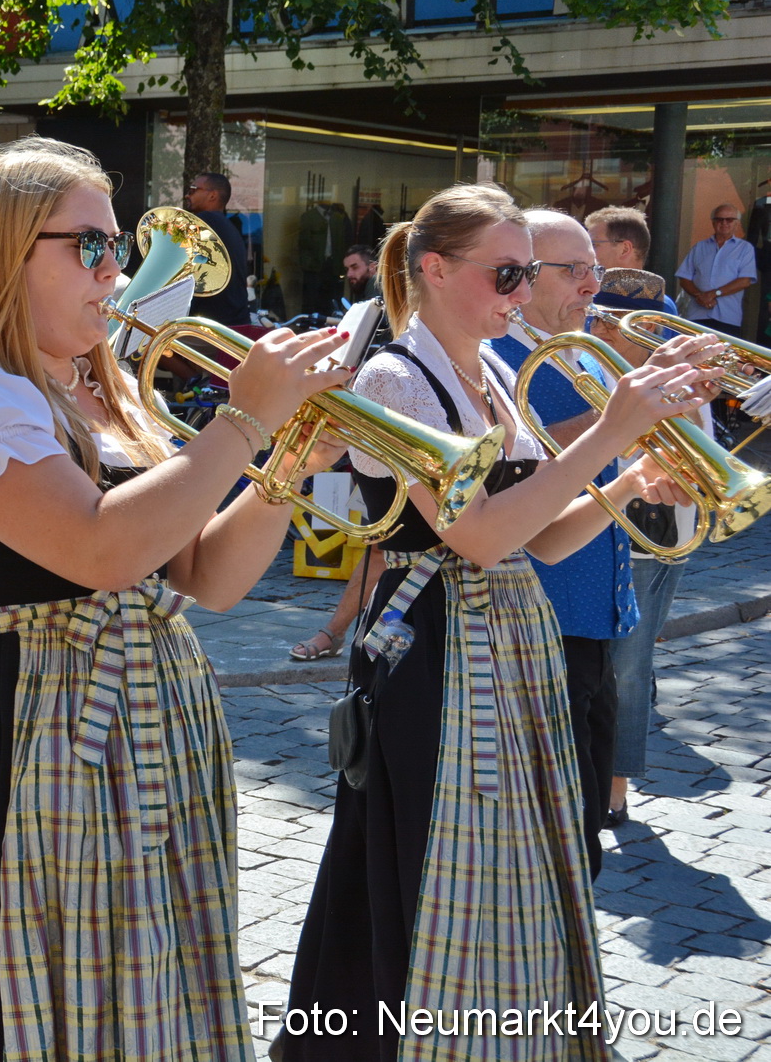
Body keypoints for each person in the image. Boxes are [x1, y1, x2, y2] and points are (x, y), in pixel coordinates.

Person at [0, 138, 352, 1061]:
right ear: (9, 250)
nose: (115, 271)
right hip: (42, 714)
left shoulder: (107, 392)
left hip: (153, 704)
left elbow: (210, 576)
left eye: (115, 247)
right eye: (89, 247)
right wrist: (244, 417)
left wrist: (286, 461)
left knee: (157, 964)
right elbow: (99, 548)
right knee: (45, 978)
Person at [276, 184, 707, 1061]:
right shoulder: (396, 374)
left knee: (511, 848)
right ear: (434, 268)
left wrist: (624, 482)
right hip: (431, 638)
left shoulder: (498, 370)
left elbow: (540, 539)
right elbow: (474, 536)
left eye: (524, 272)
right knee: (425, 851)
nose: (519, 293)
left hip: (506, 636)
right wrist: (606, 435)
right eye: (506, 272)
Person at [488, 209, 638, 879]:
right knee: (557, 836)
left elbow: (608, 461)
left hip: (597, 609)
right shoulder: (500, 359)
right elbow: (536, 456)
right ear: (521, 274)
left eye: (594, 269)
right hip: (539, 615)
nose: (589, 284)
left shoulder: (585, 351)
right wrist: (626, 416)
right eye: (572, 270)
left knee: (585, 829)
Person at [582, 271, 720, 831]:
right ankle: (605, 785)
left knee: (629, 666)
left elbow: (701, 452)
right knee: (625, 665)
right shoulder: (596, 371)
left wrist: (677, 395)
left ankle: (614, 788)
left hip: (653, 534)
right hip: (635, 529)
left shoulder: (646, 377)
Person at [676, 203, 757, 337]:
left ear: (736, 223)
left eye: (729, 219)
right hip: (696, 315)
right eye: (719, 219)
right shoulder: (699, 247)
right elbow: (684, 278)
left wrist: (713, 294)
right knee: (694, 356)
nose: (724, 223)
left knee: (723, 356)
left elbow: (745, 280)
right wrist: (699, 296)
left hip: (727, 317)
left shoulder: (745, 249)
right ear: (713, 222)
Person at [185, 171, 252, 326]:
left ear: (212, 195)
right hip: (233, 323)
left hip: (211, 328)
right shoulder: (227, 226)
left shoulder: (205, 222)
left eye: (193, 190)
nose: (188, 195)